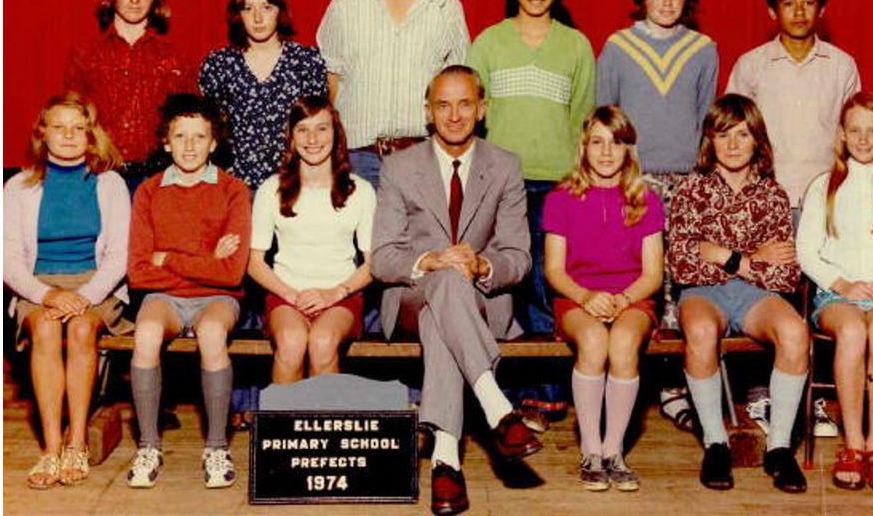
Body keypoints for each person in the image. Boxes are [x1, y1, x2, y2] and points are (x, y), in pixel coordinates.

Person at [371, 65, 539, 516]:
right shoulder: (399, 168)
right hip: (410, 294)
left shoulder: (504, 166)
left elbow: (519, 258)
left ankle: (446, 460)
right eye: (443, 105)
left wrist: (483, 264)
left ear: (482, 109)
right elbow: (383, 258)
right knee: (443, 280)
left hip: (481, 301)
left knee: (442, 313)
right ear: (428, 112)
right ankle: (498, 407)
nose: (454, 115)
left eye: (465, 104)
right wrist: (430, 261)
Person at [595, 0, 718, 431]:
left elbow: (707, 120)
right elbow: (604, 116)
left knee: (679, 285)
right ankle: (625, 381)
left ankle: (673, 388)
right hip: (632, 178)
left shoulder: (702, 48)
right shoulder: (618, 46)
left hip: (686, 178)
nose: (666, 1)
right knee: (633, 279)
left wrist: (700, 179)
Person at [668, 95, 809, 493]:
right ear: (709, 140)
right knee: (700, 332)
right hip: (702, 292)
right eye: (723, 134)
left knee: (795, 333)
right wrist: (750, 257)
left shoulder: (773, 195)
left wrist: (726, 257)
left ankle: (779, 447)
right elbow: (681, 263)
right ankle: (716, 443)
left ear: (757, 142)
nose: (732, 144)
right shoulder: (690, 190)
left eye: (742, 135)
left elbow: (784, 274)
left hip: (755, 294)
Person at [466, 0, 596, 341]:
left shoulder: (576, 45)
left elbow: (582, 120)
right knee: (503, 278)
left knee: (545, 277)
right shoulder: (489, 42)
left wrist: (579, 180)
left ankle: (548, 392)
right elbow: (472, 114)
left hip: (556, 181)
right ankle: (505, 386)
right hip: (500, 182)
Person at [4, 93, 133, 489]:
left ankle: (77, 442)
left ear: (91, 135)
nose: (69, 135)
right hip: (40, 286)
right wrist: (45, 295)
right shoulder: (19, 185)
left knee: (79, 329)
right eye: (59, 127)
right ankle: (51, 447)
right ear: (43, 133)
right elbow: (7, 257)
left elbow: (119, 254)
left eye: (79, 128)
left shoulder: (109, 183)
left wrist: (87, 296)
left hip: (96, 285)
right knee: (45, 328)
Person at [796, 92, 873, 493]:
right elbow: (806, 252)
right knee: (852, 332)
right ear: (842, 135)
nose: (863, 139)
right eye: (855, 130)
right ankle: (852, 445)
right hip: (838, 297)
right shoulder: (824, 186)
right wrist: (842, 284)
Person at [125, 93, 251, 490]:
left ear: (214, 142)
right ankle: (148, 446)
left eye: (200, 137)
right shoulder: (149, 190)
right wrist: (204, 261)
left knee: (212, 333)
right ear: (166, 141)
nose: (190, 146)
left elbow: (231, 275)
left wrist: (171, 259)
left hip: (217, 299)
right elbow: (139, 272)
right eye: (181, 136)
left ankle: (216, 447)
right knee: (145, 333)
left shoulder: (233, 190)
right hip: (164, 299)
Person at [542, 106, 664, 492]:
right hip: (578, 297)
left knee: (624, 342)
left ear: (629, 149)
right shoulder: (561, 197)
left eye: (616, 142)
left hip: (633, 297)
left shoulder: (646, 199)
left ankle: (614, 452)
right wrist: (586, 296)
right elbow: (555, 270)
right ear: (583, 146)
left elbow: (653, 274)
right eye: (597, 142)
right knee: (594, 341)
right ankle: (591, 450)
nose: (606, 152)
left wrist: (623, 298)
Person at [316, 0, 470, 188]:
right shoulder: (346, 3)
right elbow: (330, 80)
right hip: (358, 159)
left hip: (423, 157)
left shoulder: (445, 4)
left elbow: (459, 83)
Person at [248, 97, 375, 383]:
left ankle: (323, 428)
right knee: (292, 342)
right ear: (291, 138)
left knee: (322, 342)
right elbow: (255, 262)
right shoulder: (271, 189)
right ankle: (281, 428)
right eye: (303, 130)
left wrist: (335, 293)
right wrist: (293, 296)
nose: (313, 139)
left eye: (322, 128)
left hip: (341, 296)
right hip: (286, 295)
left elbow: (372, 263)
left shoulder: (361, 191)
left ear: (336, 134)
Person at [725, 0, 861, 213]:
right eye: (788, 3)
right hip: (762, 196)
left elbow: (855, 133)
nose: (799, 11)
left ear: (821, 9)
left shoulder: (842, 65)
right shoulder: (751, 64)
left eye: (808, 2)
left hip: (827, 196)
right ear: (772, 11)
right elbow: (729, 132)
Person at [65, 0, 195, 182]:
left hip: (157, 181)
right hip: (98, 176)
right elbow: (72, 119)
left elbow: (189, 124)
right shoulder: (85, 53)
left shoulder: (175, 57)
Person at [199, 0, 329, 189]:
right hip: (235, 189)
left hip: (294, 185)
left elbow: (320, 128)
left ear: (279, 10)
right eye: (248, 9)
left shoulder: (307, 62)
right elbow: (208, 134)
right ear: (238, 14)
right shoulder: (218, 65)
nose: (258, 18)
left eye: (266, 7)